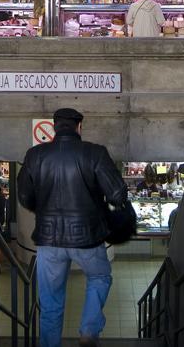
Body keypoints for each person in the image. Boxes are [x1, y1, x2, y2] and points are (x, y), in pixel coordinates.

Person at [18, 108, 127, 347]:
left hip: (48, 239)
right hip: (88, 237)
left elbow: (24, 197)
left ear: (54, 127)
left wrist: (44, 211)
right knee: (99, 277)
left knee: (50, 302)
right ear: (79, 127)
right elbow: (118, 195)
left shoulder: (35, 155)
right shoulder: (95, 153)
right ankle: (89, 330)